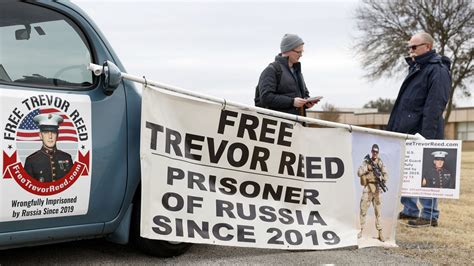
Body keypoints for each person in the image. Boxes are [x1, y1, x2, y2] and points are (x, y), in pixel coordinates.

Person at [386, 32, 451, 227]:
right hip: (406, 129)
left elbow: (434, 105)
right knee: (408, 171)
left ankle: (430, 214)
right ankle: (409, 209)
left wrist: (427, 137)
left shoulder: (437, 70)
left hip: (423, 132)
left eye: (414, 47)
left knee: (427, 172)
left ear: (428, 47)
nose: (410, 50)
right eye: (409, 47)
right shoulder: (417, 67)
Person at [255, 33, 317, 116]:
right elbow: (266, 97)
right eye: (299, 52)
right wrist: (292, 102)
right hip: (278, 125)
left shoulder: (297, 71)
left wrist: (306, 103)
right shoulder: (271, 70)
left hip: (297, 125)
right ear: (288, 50)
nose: (301, 55)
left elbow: (304, 95)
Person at [24, 113, 73, 182]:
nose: (50, 137)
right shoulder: (31, 160)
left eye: (53, 132)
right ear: (40, 135)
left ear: (57, 135)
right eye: (46, 132)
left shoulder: (67, 157)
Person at [357, 144, 388, 242]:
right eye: (373, 151)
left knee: (378, 212)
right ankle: (360, 230)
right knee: (363, 210)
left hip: (377, 189)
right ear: (371, 151)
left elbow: (386, 175)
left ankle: (380, 233)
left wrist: (381, 178)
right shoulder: (366, 162)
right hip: (368, 188)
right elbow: (359, 172)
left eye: (376, 152)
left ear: (378, 153)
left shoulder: (380, 163)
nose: (375, 153)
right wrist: (368, 168)